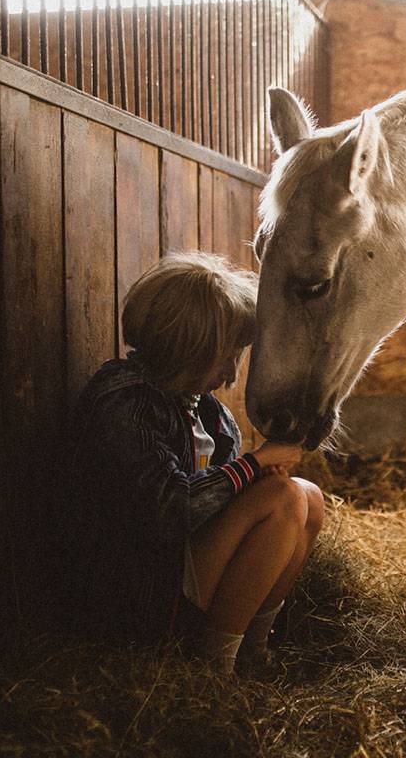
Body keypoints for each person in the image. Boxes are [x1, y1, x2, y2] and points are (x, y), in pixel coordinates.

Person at [64, 251, 324, 673]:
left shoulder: (208, 411)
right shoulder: (125, 403)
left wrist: (251, 479)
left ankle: (251, 654)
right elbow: (170, 510)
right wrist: (254, 467)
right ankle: (212, 672)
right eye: (225, 357)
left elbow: (215, 500)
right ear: (188, 350)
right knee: (281, 498)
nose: (233, 374)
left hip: (180, 571)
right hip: (129, 592)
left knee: (307, 497)